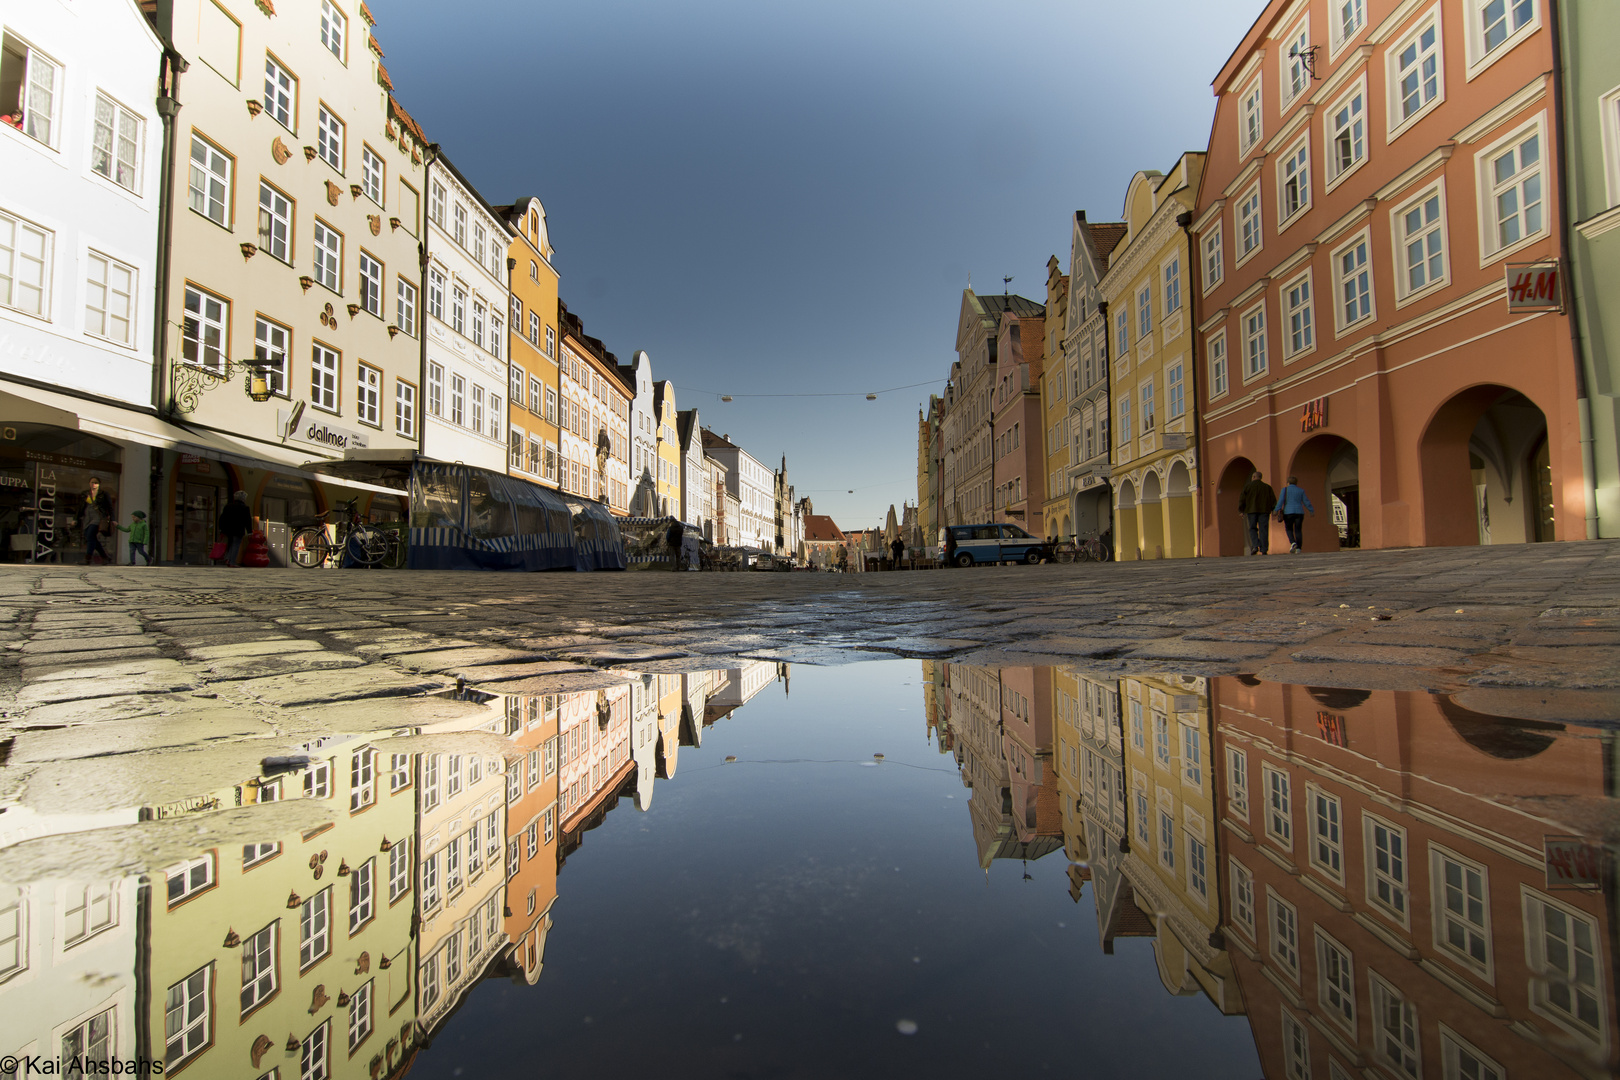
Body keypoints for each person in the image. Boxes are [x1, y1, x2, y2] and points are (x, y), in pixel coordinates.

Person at [1237, 469, 1276, 556]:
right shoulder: (1267, 487)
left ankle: (1255, 545)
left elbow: (1242, 499)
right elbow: (1273, 499)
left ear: (1254, 477)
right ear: (1260, 478)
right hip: (1264, 511)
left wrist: (1241, 510)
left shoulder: (1248, 487)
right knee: (1264, 529)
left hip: (1251, 511)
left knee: (1252, 528)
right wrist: (1274, 509)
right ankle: (1264, 549)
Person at [1277, 475, 1315, 554]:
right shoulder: (1301, 491)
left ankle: (1293, 542)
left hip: (1288, 512)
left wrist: (1276, 509)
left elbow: (1281, 501)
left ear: (1288, 483)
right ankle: (1299, 548)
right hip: (1299, 512)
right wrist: (1311, 510)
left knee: (1289, 529)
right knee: (1298, 530)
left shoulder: (1285, 490)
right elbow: (1306, 501)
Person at [81, 476, 113, 565]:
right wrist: (76, 518)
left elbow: (110, 507)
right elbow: (81, 507)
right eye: (92, 482)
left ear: (99, 484)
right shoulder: (86, 493)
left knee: (91, 535)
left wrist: (112, 519)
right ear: (89, 484)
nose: (94, 484)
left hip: (98, 517)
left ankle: (87, 559)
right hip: (88, 517)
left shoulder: (103, 494)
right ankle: (105, 557)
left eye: (96, 482)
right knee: (90, 537)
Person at [217, 490, 253, 567]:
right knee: (236, 544)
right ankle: (232, 562)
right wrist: (249, 531)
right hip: (238, 530)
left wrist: (221, 529)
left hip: (228, 529)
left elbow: (222, 518)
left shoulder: (228, 506)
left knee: (230, 544)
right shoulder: (245, 508)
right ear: (243, 499)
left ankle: (228, 558)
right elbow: (248, 520)